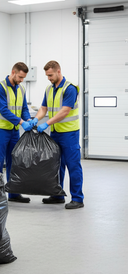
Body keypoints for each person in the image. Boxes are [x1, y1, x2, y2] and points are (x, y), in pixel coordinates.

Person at [30, 60, 84, 209]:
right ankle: (57, 194)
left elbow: (65, 111)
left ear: (58, 71)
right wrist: (36, 118)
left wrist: (47, 123)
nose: (49, 78)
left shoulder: (70, 89)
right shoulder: (49, 89)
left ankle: (78, 198)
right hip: (56, 133)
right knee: (55, 165)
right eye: (47, 76)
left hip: (69, 133)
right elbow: (43, 108)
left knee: (73, 165)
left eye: (51, 75)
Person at [0, 62, 33, 203]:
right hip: (0, 130)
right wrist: (21, 122)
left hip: (14, 132)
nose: (21, 80)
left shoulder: (21, 89)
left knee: (14, 163)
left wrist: (28, 119)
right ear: (13, 72)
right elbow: (3, 110)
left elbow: (24, 108)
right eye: (20, 77)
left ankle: (14, 194)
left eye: (23, 78)